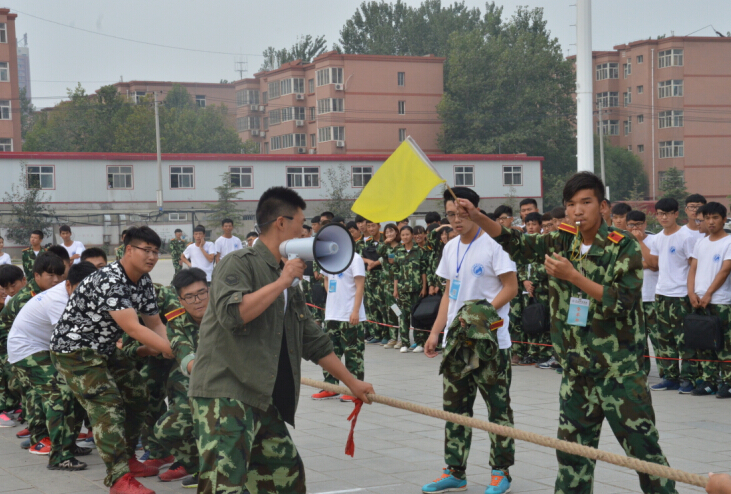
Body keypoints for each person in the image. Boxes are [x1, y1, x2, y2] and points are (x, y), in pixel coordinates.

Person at [464, 172, 677, 494]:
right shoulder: (562, 239)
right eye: (571, 204)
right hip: (577, 371)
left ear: (603, 206)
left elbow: (622, 301)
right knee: (572, 456)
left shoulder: (624, 245)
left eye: (586, 202)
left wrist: (574, 276)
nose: (578, 210)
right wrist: (478, 216)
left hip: (619, 373)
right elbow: (517, 244)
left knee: (644, 453)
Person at [188, 186, 374, 494]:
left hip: (261, 396)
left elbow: (312, 340)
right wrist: (283, 280)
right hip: (226, 394)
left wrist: (351, 382)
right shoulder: (238, 263)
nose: (305, 231)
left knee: (287, 478)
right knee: (224, 485)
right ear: (281, 223)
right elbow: (233, 314)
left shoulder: (285, 276)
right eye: (302, 224)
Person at [50, 226, 174, 494]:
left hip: (104, 348)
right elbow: (133, 328)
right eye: (146, 250)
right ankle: (118, 479)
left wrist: (172, 347)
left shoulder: (143, 281)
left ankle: (127, 459)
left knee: (137, 395)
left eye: (156, 251)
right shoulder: (110, 279)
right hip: (75, 350)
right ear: (129, 250)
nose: (152, 257)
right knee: (108, 404)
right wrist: (171, 350)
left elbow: (154, 324)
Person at [422, 186, 517, 494]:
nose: (457, 220)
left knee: (497, 409)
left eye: (462, 213)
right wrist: (436, 331)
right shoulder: (450, 247)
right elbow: (450, 294)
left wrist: (482, 315)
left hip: (490, 343)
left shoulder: (495, 244)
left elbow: (511, 287)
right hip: (456, 344)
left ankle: (500, 471)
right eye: (451, 215)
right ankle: (455, 470)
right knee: (455, 409)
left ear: (475, 210)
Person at [7, 261, 97, 470]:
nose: (86, 296)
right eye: (81, 290)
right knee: (59, 394)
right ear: (69, 284)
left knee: (73, 392)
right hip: (26, 351)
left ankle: (68, 445)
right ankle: (59, 456)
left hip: (46, 348)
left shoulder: (76, 293)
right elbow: (69, 339)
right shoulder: (58, 300)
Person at [146, 268, 209, 485]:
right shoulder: (176, 323)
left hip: (231, 391)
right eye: (190, 297)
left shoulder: (225, 315)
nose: (198, 301)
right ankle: (200, 468)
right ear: (180, 300)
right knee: (166, 430)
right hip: (193, 388)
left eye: (202, 293)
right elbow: (183, 353)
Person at [647, 198, 698, 394]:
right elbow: (655, 264)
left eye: (667, 213)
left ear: (676, 214)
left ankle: (688, 378)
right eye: (660, 213)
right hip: (661, 294)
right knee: (664, 338)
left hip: (681, 295)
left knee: (683, 338)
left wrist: (691, 292)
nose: (663, 217)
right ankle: (670, 377)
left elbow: (694, 265)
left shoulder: (686, 236)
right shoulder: (658, 238)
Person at [311, 236, 367, 402]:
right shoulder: (330, 260)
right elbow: (327, 280)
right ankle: (331, 386)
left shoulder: (355, 259)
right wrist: (333, 297)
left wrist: (355, 310)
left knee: (353, 352)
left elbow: (360, 286)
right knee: (330, 352)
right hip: (332, 314)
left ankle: (355, 388)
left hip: (350, 315)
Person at [687, 202, 731, 397]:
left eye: (715, 218)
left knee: (725, 343)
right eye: (707, 218)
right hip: (699, 301)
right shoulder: (701, 242)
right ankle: (709, 381)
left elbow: (725, 270)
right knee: (704, 343)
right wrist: (691, 293)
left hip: (720, 300)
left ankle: (728, 382)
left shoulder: (729, 242)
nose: (710, 222)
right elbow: (693, 269)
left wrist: (709, 293)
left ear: (723, 219)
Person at [627, 210, 660, 376]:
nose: (635, 228)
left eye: (638, 224)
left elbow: (654, 264)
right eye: (631, 225)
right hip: (635, 299)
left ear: (645, 224)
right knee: (638, 339)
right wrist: (642, 263)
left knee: (658, 338)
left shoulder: (654, 240)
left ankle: (666, 373)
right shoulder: (624, 243)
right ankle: (642, 371)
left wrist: (640, 241)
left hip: (652, 296)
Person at [517, 212, 552, 365]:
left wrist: (534, 281)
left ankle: (544, 352)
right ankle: (531, 351)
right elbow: (520, 263)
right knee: (530, 320)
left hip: (542, 289)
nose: (530, 227)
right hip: (527, 290)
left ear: (540, 226)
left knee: (542, 320)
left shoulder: (546, 241)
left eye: (534, 225)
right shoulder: (523, 242)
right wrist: (524, 280)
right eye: (528, 224)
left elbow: (546, 265)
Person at [394, 225, 429, 353]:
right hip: (403, 289)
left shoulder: (419, 251)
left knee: (417, 316)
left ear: (412, 235)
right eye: (403, 235)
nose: (405, 237)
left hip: (417, 289)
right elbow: (396, 272)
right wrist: (395, 289)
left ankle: (419, 342)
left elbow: (423, 271)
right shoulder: (398, 252)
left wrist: (424, 287)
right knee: (403, 316)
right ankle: (404, 342)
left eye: (407, 234)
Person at [379, 224, 402, 348]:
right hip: (387, 284)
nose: (389, 234)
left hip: (398, 283)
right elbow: (378, 251)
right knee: (391, 310)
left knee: (399, 311)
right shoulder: (385, 248)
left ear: (396, 232)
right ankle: (393, 337)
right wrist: (384, 243)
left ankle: (403, 338)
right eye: (387, 232)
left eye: (391, 231)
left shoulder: (400, 247)